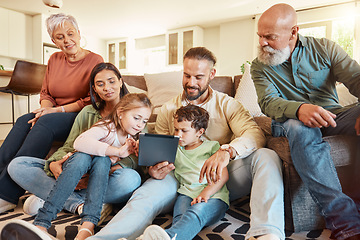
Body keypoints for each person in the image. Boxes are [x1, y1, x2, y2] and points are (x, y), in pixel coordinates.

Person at [88, 47, 284, 240]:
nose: (191, 83)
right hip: (178, 176)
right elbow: (159, 152)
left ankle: (267, 233)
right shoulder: (168, 108)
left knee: (267, 155)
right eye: (187, 75)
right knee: (144, 196)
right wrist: (153, 169)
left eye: (198, 77)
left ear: (212, 74)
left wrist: (227, 151)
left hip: (219, 178)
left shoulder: (228, 104)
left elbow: (255, 134)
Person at [250, 3, 360, 240]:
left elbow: (356, 78)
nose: (262, 43)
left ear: (293, 32)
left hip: (334, 116)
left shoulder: (324, 48)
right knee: (299, 126)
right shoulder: (259, 66)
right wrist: (299, 109)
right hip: (288, 121)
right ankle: (347, 223)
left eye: (270, 37)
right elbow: (268, 102)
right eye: (260, 36)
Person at [3, 63, 143, 239]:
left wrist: (104, 172)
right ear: (94, 89)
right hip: (74, 169)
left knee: (130, 180)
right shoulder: (88, 112)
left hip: (105, 175)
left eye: (111, 81)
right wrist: (54, 164)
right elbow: (72, 145)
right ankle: (88, 204)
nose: (107, 88)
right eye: (100, 84)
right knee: (17, 165)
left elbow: (134, 160)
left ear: (121, 82)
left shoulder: (137, 115)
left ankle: (58, 198)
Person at [0, 13, 103, 213]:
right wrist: (45, 109)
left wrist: (56, 111)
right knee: (24, 120)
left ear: (79, 34)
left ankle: (7, 193)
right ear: (53, 41)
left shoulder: (95, 60)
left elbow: (92, 99)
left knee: (44, 124)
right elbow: (46, 92)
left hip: (78, 115)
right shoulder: (54, 59)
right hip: (54, 111)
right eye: (60, 37)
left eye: (70, 33)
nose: (67, 40)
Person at [139, 104, 229, 240]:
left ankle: (166, 237)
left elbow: (224, 175)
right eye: (176, 129)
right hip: (185, 194)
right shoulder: (174, 149)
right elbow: (153, 159)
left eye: (184, 131)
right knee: (180, 220)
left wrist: (206, 193)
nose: (178, 135)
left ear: (200, 132)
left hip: (214, 196)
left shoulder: (212, 147)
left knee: (196, 212)